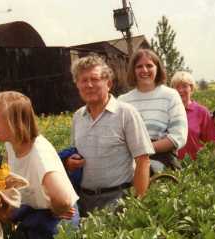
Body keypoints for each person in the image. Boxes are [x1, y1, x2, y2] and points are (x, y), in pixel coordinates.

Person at [0, 91, 79, 239]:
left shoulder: (38, 154)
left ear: (13, 123)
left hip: (55, 221)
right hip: (36, 210)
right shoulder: (11, 143)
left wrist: (56, 209)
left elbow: (64, 200)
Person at [66, 54, 154, 217]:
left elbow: (143, 160)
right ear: (77, 85)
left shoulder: (126, 113)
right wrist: (71, 164)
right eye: (83, 80)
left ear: (109, 83)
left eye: (95, 79)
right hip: (84, 201)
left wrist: (138, 203)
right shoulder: (78, 117)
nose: (89, 84)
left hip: (119, 200)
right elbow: (76, 155)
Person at [118, 49, 187, 173]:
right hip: (128, 160)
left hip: (162, 159)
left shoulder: (170, 95)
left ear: (157, 68)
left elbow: (178, 136)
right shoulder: (123, 100)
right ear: (133, 70)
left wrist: (144, 150)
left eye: (149, 65)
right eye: (139, 66)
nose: (144, 70)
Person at [170, 71, 215, 160]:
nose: (180, 90)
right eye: (177, 87)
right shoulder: (167, 111)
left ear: (191, 88)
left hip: (196, 167)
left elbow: (212, 143)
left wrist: (212, 164)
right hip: (170, 167)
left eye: (184, 86)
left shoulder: (202, 112)